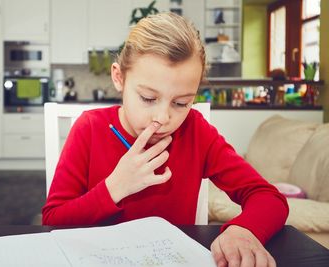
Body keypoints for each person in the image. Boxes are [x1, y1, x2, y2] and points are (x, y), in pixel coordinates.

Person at [43, 12, 288, 267]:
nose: (162, 118)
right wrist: (115, 187)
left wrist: (243, 230)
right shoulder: (89, 128)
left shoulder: (196, 132)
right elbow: (53, 218)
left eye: (181, 103)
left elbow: (268, 197)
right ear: (119, 78)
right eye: (148, 98)